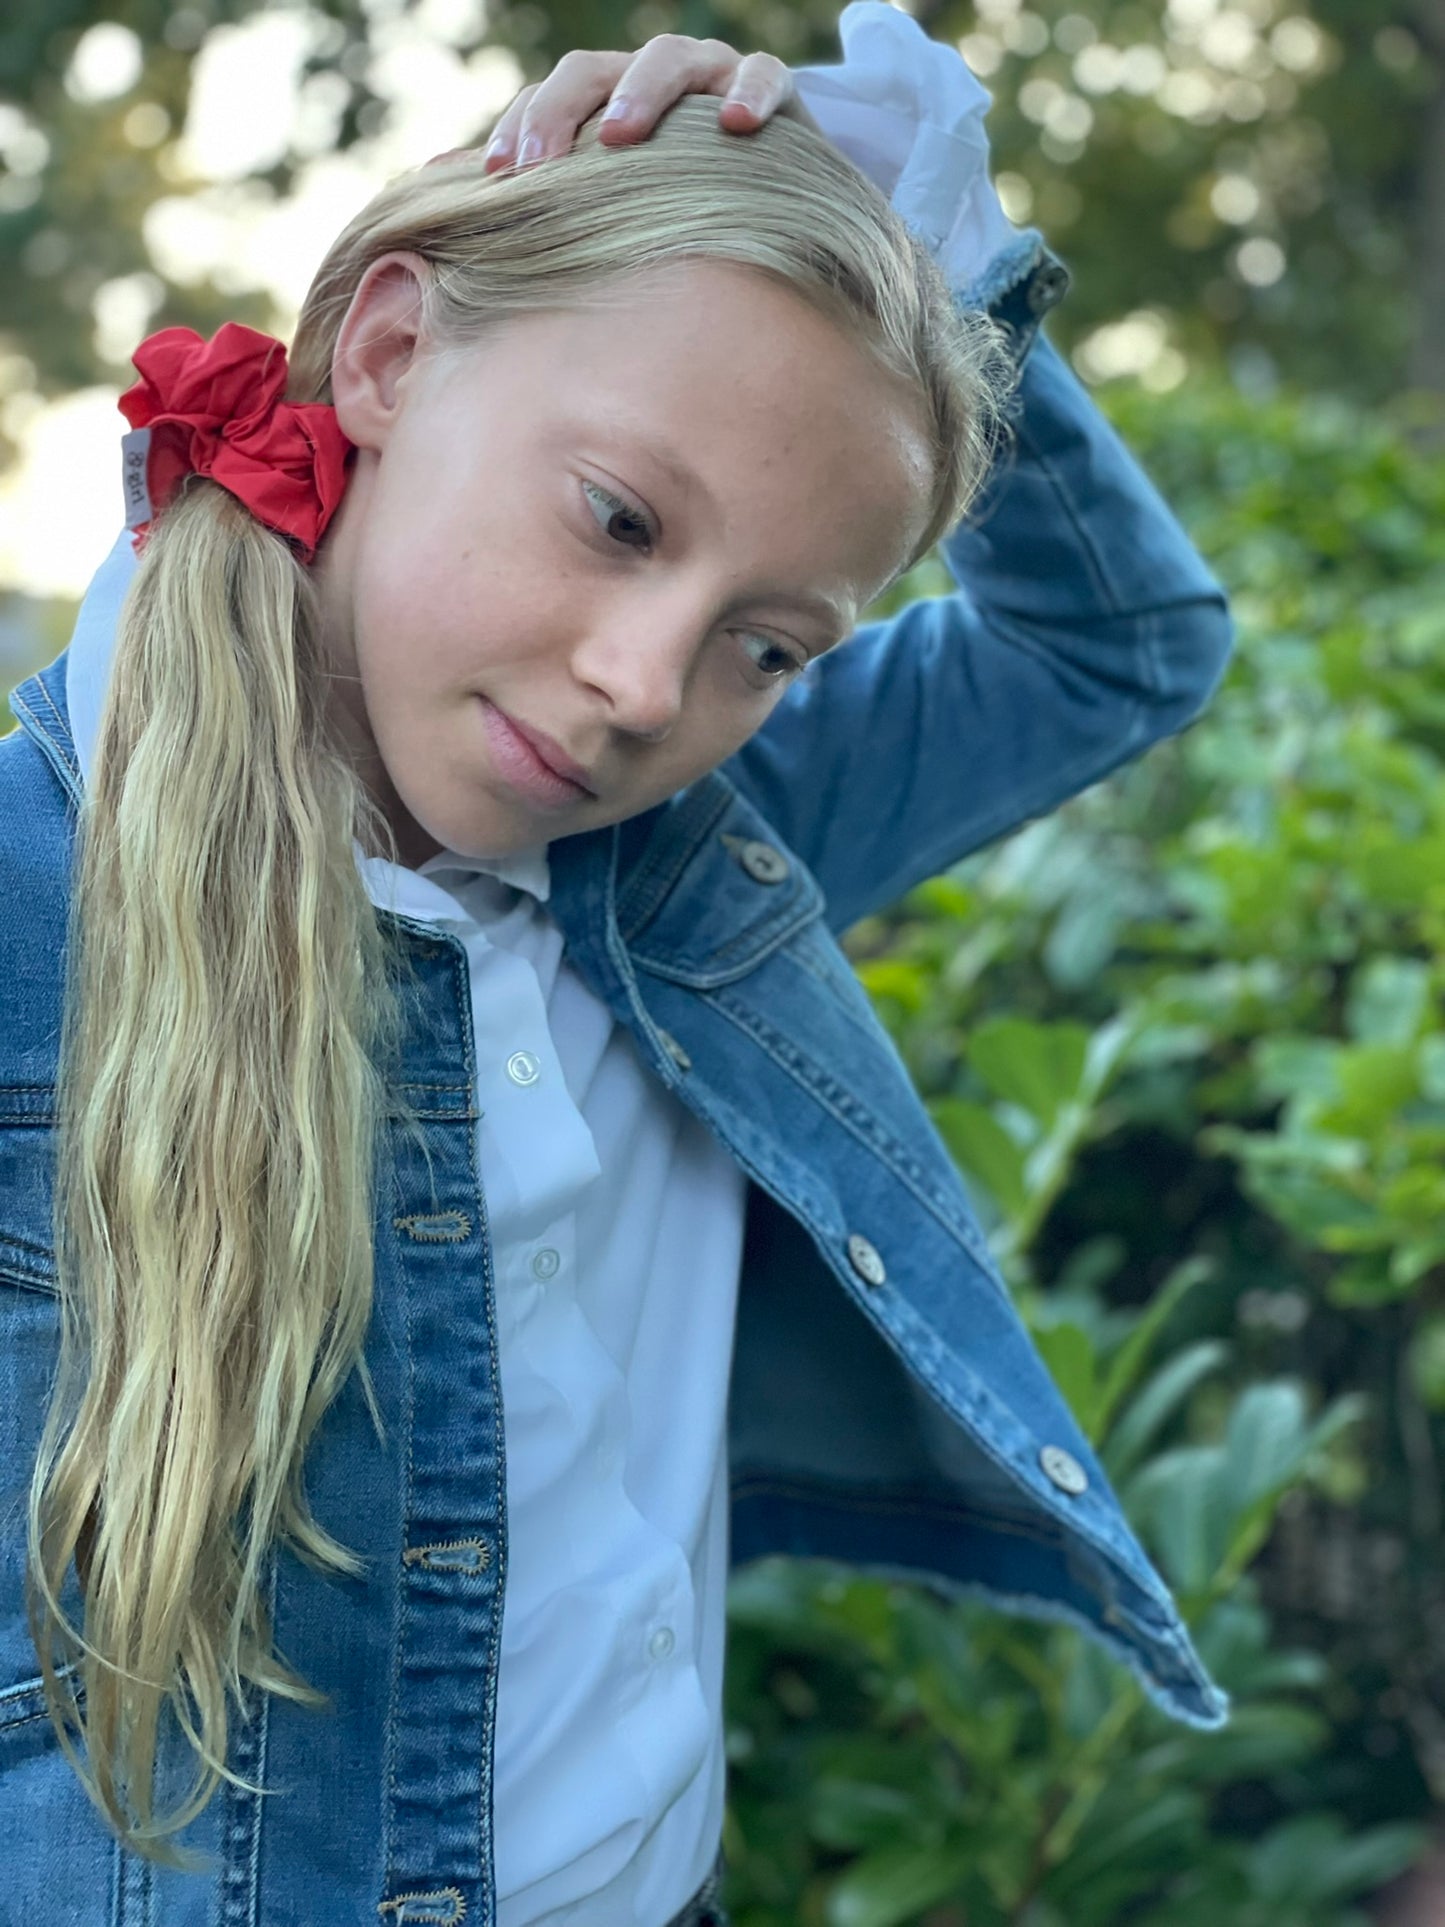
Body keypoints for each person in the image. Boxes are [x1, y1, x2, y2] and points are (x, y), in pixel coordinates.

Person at [0, 4, 1234, 1922]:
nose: (645, 686)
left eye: (770, 644)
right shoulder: (30, 907)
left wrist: (941, 241)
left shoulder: (671, 864)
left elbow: (1119, 650)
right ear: (394, 353)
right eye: (617, 519)